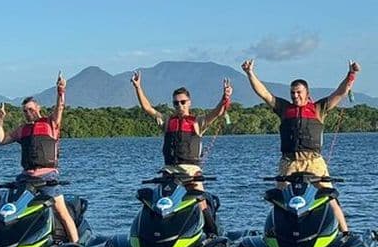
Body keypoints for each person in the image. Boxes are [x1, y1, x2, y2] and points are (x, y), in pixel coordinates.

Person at [241, 59, 359, 234]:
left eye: (298, 92)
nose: (295, 96)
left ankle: (345, 233)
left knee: (330, 196)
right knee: (280, 199)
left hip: (314, 162)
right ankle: (275, 234)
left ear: (307, 93)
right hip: (289, 163)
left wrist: (352, 74)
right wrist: (250, 73)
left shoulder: (318, 108)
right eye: (292, 93)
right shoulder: (283, 108)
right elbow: (264, 93)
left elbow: (340, 92)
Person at [131, 71, 232, 234]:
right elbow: (147, 108)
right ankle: (157, 235)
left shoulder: (198, 122)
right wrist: (138, 87)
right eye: (176, 103)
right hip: (170, 172)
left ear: (189, 102)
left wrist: (225, 97)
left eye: (183, 102)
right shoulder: (167, 121)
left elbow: (217, 112)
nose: (179, 106)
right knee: (159, 204)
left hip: (191, 173)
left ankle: (212, 233)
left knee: (200, 201)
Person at [0, 73, 79, 243]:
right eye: (25, 111)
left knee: (61, 211)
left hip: (47, 177)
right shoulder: (22, 130)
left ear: (38, 108)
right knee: (13, 209)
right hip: (26, 178)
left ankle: (76, 244)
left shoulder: (50, 123)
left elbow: (60, 108)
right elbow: (1, 141)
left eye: (31, 110)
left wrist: (60, 90)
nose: (28, 113)